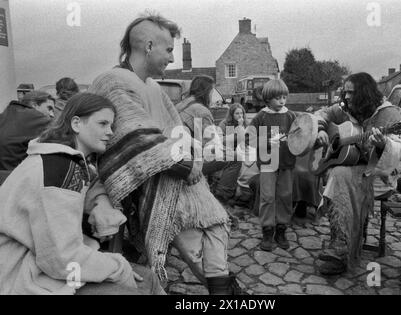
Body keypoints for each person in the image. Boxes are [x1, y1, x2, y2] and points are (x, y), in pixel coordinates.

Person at [88, 13, 243, 295]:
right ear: (148, 46)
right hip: (147, 186)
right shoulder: (112, 81)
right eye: (169, 49)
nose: (172, 59)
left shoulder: (153, 87)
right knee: (194, 236)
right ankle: (228, 295)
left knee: (216, 224)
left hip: (176, 178)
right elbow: (135, 139)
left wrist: (198, 154)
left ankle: (229, 292)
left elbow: (176, 132)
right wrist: (184, 165)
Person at [0, 93, 164, 295]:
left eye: (111, 125)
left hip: (38, 267)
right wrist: (118, 266)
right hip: (22, 278)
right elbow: (61, 259)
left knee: (148, 278)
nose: (110, 132)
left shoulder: (63, 161)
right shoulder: (59, 169)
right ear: (76, 124)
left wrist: (101, 203)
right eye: (103, 124)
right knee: (137, 286)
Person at [315, 72, 401, 275]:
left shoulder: (389, 114)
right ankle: (342, 240)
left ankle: (341, 248)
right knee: (336, 173)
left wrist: (384, 143)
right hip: (354, 167)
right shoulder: (347, 109)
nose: (346, 97)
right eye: (345, 92)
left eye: (351, 93)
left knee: (338, 175)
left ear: (364, 93)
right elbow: (322, 114)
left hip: (378, 174)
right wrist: (322, 129)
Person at [248, 79, 297, 251]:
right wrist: (267, 141)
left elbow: (300, 135)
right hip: (268, 163)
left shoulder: (291, 116)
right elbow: (249, 138)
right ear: (267, 99)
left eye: (284, 97)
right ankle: (267, 231)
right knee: (267, 197)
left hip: (287, 163)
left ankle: (281, 229)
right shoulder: (261, 117)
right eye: (277, 98)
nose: (282, 101)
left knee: (285, 195)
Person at [0, 91, 55, 171]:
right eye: (49, 108)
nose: (52, 115)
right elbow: (63, 132)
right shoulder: (36, 117)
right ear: (34, 105)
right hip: (14, 177)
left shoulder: (5, 114)